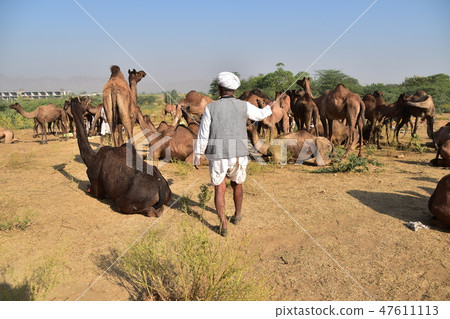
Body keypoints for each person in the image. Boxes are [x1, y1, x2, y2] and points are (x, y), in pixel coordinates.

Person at [194, 72, 273, 237]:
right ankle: (237, 216)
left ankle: (223, 225)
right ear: (234, 90)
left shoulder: (210, 108)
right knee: (237, 184)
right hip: (239, 152)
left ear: (220, 89)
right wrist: (269, 107)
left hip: (217, 153)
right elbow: (260, 115)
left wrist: (198, 154)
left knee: (220, 188)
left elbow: (203, 133)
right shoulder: (244, 106)